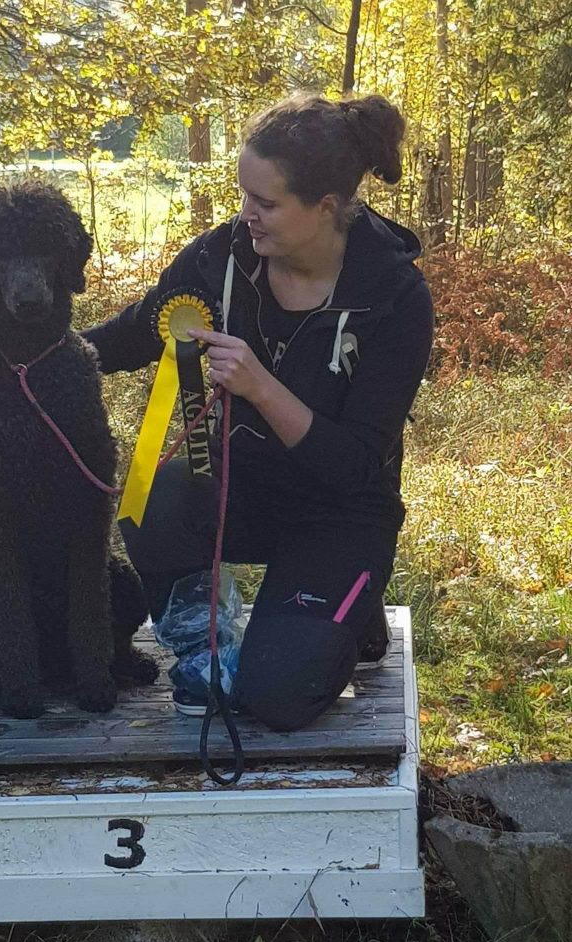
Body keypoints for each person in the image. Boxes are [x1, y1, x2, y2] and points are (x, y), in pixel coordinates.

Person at [94, 94, 434, 730]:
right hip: (241, 489)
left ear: (326, 208)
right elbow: (136, 332)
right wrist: (34, 358)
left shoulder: (395, 297)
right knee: (150, 499)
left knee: (277, 696)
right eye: (244, 194)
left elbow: (357, 464)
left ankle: (347, 609)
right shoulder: (221, 257)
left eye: (267, 203)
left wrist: (260, 386)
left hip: (341, 511)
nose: (246, 215)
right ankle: (203, 646)